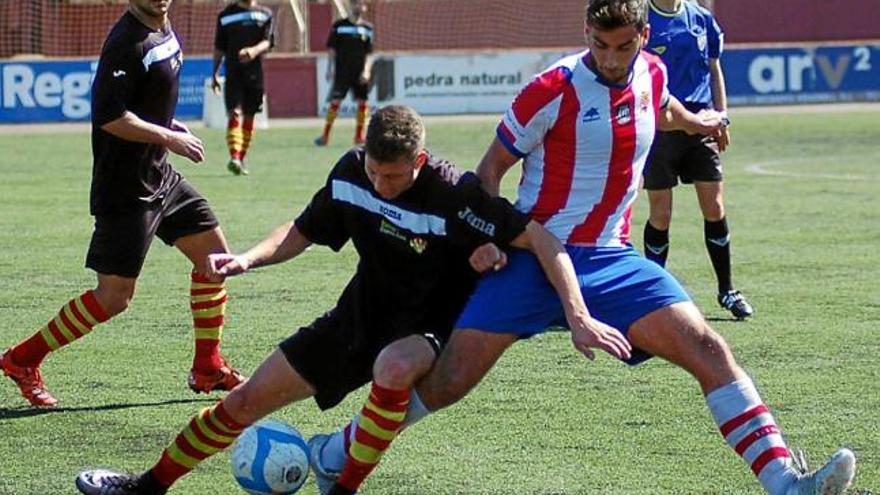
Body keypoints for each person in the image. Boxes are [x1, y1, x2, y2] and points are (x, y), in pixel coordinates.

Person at [312, 2, 857, 495]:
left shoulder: (653, 70)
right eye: (600, 45)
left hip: (611, 260)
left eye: (623, 46)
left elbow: (662, 107)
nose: (611, 59)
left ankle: (787, 483)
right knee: (449, 381)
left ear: (644, 35)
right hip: (531, 258)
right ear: (587, 33)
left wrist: (700, 121)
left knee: (709, 349)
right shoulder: (551, 89)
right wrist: (484, 242)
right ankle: (336, 452)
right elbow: (487, 174)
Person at [73, 105, 631, 495]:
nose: (382, 185)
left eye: (394, 177)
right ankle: (148, 485)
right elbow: (304, 228)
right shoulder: (350, 173)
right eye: (374, 172)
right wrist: (248, 258)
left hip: (430, 325)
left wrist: (577, 316)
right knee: (243, 403)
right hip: (356, 316)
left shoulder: (456, 193)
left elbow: (540, 239)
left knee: (395, 367)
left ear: (420, 160)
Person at [0, 0, 244, 408]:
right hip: (126, 190)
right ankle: (23, 359)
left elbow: (146, 99)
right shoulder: (125, 42)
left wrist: (167, 127)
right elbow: (110, 116)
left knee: (215, 259)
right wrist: (168, 138)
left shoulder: (162, 27)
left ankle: (208, 366)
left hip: (161, 178)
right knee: (114, 297)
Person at [642, 0, 753, 319]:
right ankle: (650, 296)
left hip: (703, 124)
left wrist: (723, 117)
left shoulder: (701, 18)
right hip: (662, 128)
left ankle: (727, 290)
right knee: (660, 215)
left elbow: (714, 69)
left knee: (715, 207)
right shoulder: (642, 18)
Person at [211, 0, 274, 176]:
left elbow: (268, 41)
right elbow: (219, 47)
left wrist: (253, 51)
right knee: (234, 113)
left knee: (249, 116)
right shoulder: (225, 16)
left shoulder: (265, 14)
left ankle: (240, 158)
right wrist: (214, 73)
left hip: (255, 75)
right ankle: (235, 157)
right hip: (233, 74)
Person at [314, 0, 374, 147]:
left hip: (359, 72)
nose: (358, 7)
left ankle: (359, 136)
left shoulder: (367, 28)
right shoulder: (339, 26)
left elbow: (369, 53)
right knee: (336, 101)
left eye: (361, 4)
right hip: (342, 72)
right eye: (355, 4)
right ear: (350, 6)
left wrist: (366, 70)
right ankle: (325, 136)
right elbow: (332, 50)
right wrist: (330, 68)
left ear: (364, 7)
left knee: (363, 102)